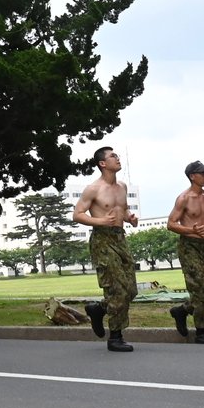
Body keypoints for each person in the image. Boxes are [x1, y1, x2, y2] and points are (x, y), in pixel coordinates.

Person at [73, 146, 139, 353]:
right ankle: (116, 337)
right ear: (102, 163)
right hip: (102, 240)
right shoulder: (93, 188)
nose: (117, 158)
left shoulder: (122, 186)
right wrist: (101, 221)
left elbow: (123, 208)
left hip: (120, 239)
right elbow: (77, 214)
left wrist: (129, 217)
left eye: (117, 155)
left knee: (131, 289)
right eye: (113, 156)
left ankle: (99, 309)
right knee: (116, 289)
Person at [166, 160, 204, 345]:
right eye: (202, 173)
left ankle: (181, 311)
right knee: (200, 288)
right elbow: (171, 224)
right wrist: (191, 231)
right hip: (188, 246)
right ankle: (201, 332)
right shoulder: (184, 198)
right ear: (192, 176)